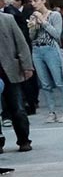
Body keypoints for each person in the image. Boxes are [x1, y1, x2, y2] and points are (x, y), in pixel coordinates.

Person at [27, 0, 63, 123]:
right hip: (37, 50)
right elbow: (31, 37)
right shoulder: (33, 16)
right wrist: (33, 27)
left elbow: (57, 34)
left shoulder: (55, 15)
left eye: (35, 1)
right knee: (45, 84)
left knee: (60, 81)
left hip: (51, 49)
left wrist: (43, 21)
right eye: (31, 1)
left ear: (43, 1)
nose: (33, 4)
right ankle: (51, 112)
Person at [0, 8, 33, 152]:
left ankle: (24, 140)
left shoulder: (7, 19)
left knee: (18, 108)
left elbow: (21, 43)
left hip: (10, 71)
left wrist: (27, 66)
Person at [10, 0, 39, 115]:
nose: (32, 3)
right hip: (18, 48)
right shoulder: (12, 13)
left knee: (31, 75)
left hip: (29, 45)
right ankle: (28, 100)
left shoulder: (28, 12)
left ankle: (32, 100)